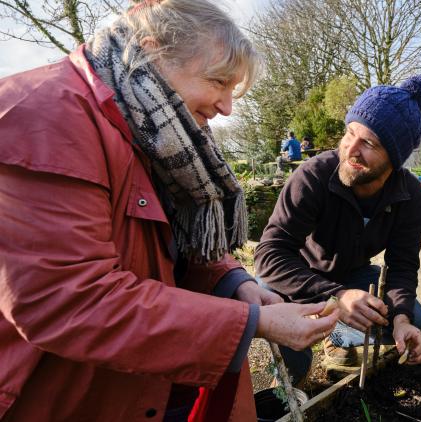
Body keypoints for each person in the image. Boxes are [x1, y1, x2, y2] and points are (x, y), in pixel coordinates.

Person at [0, 1, 339, 421]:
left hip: (133, 382)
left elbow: (167, 240)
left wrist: (235, 282)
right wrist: (252, 322)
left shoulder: (151, 130)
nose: (227, 107)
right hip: (55, 393)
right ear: (152, 52)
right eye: (218, 82)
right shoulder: (45, 117)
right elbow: (71, 300)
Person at [254, 75, 421, 383]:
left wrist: (401, 319)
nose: (350, 149)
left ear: (395, 157)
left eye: (369, 143)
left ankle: (339, 338)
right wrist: (337, 297)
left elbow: (402, 267)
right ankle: (287, 385)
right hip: (296, 276)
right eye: (350, 134)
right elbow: (269, 256)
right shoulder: (313, 176)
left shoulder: (409, 197)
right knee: (293, 351)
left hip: (352, 276)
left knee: (418, 319)